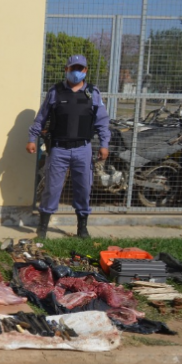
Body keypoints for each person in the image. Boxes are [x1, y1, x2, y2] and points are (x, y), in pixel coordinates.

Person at [27, 54, 110, 239]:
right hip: (58, 149)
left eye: (80, 69)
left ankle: (82, 228)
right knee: (51, 188)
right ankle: (42, 228)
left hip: (83, 149)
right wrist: (32, 138)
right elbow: (41, 118)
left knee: (84, 189)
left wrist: (104, 144)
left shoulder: (93, 93)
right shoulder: (55, 92)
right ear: (66, 69)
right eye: (73, 68)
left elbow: (102, 122)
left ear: (85, 71)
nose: (76, 72)